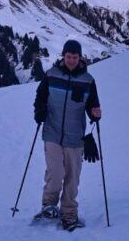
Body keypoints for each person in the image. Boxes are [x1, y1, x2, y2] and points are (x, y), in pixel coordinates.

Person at [32, 39, 101, 230]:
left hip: (75, 136)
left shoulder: (88, 80)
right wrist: (39, 112)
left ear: (80, 58)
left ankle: (69, 214)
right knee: (54, 173)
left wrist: (96, 115)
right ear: (63, 55)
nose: (71, 60)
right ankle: (49, 207)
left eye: (75, 57)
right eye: (69, 56)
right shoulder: (51, 75)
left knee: (72, 178)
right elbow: (40, 98)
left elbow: (93, 106)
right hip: (52, 133)